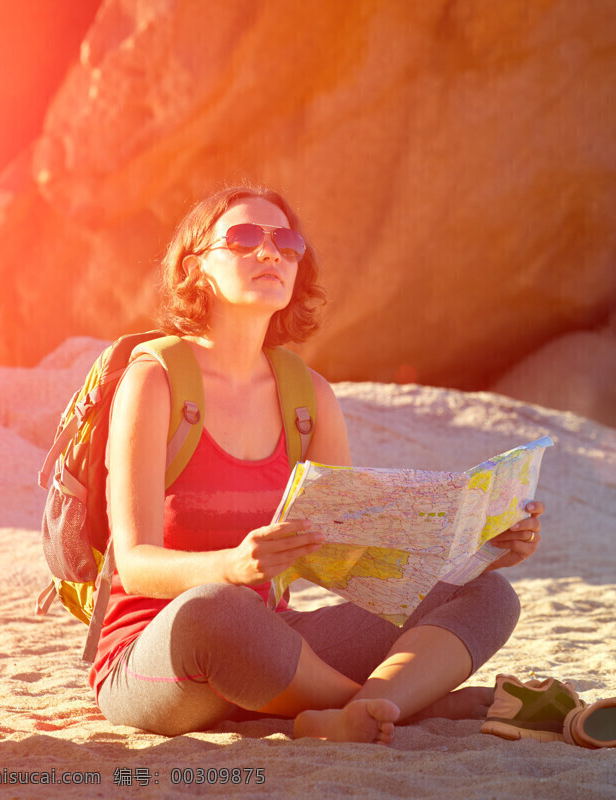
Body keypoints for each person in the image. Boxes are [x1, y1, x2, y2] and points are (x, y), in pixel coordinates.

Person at [91, 186, 543, 743]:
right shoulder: (153, 379)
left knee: (487, 593)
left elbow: (352, 562)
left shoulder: (309, 397)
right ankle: (401, 704)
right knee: (217, 608)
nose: (270, 252)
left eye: (285, 241)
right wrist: (233, 565)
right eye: (243, 237)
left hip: (275, 652)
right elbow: (134, 565)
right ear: (196, 267)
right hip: (164, 651)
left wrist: (482, 548)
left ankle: (363, 712)